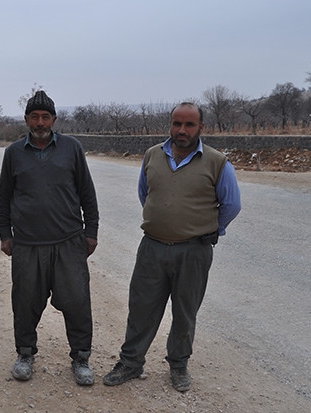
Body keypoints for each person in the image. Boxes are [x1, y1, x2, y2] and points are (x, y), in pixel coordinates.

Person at [103, 102, 241, 392]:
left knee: (185, 312)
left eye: (189, 124)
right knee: (141, 308)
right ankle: (131, 362)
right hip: (152, 248)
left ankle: (178, 365)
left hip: (194, 252)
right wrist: (163, 220)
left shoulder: (217, 162)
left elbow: (231, 205)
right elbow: (145, 194)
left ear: (201, 127)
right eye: (177, 123)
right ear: (171, 125)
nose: (182, 130)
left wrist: (209, 229)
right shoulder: (152, 155)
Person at [0, 91, 100, 386]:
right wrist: (5, 234)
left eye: (45, 117)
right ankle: (25, 354)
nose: (40, 122)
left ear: (54, 119)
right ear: (26, 119)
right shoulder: (14, 153)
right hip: (27, 244)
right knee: (25, 302)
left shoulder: (72, 148)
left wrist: (91, 232)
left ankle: (81, 357)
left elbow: (87, 194)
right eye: (34, 117)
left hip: (68, 242)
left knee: (77, 302)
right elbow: (3, 198)